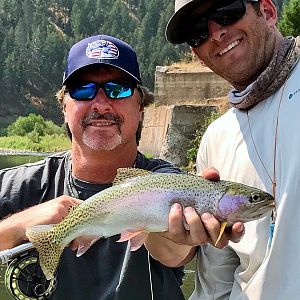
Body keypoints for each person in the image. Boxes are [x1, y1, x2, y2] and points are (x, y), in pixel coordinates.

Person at [0, 34, 189, 300]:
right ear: (64, 107)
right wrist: (19, 226)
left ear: (141, 106)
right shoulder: (18, 185)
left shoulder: (167, 184)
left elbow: (178, 251)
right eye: (83, 89)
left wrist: (171, 235)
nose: (101, 104)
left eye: (119, 89)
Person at [162, 0, 300, 299]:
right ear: (197, 55)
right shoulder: (215, 138)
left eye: (227, 11)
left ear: (268, 10)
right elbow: (217, 278)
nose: (215, 33)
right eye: (198, 32)